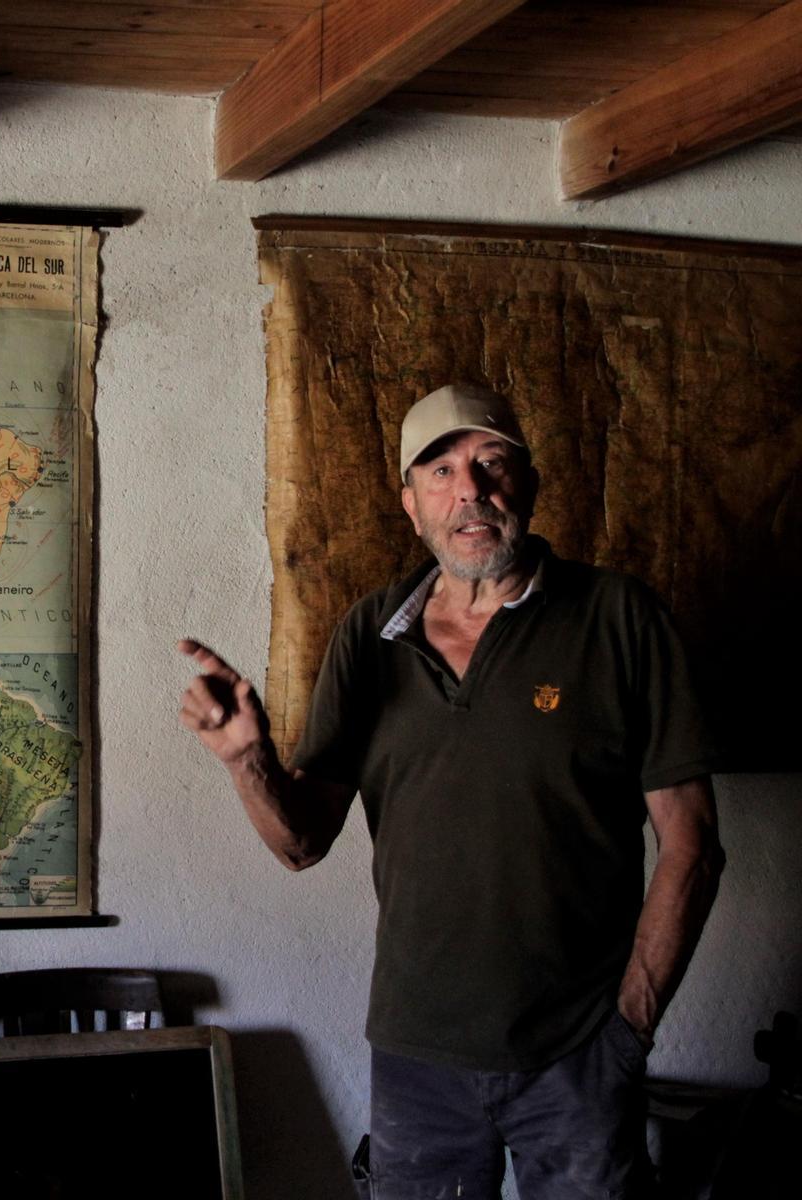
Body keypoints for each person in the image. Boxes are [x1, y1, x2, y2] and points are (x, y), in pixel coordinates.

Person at [178, 383, 725, 1199]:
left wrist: (629, 1028)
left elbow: (692, 846)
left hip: (579, 1055)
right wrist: (245, 760)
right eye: (440, 469)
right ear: (410, 503)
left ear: (529, 485)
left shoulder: (619, 618)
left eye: (491, 462)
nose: (469, 488)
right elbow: (302, 844)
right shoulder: (367, 635)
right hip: (417, 1060)